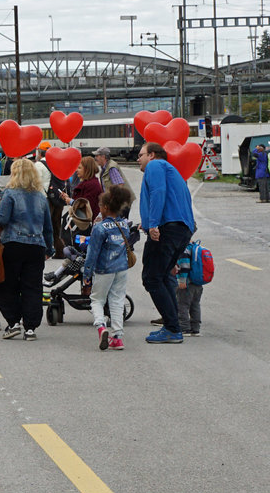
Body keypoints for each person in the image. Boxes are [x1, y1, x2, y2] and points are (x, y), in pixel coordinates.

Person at [137, 141, 195, 345]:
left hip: (166, 228)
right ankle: (173, 325)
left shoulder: (155, 166)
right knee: (161, 276)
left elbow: (158, 192)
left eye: (141, 154)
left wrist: (153, 224)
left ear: (152, 155)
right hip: (180, 229)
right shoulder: (173, 172)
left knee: (151, 277)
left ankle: (172, 328)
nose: (138, 159)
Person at [0, 157, 55, 341]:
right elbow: (48, 226)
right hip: (36, 247)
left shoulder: (10, 194)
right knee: (32, 287)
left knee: (8, 285)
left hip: (12, 245)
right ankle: (30, 328)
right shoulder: (41, 197)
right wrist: (49, 248)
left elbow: (2, 220)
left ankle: (13, 323)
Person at [82, 185, 135, 351]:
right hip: (121, 268)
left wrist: (87, 275)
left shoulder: (100, 228)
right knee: (117, 300)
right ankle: (117, 337)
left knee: (97, 299)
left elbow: (92, 254)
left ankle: (101, 327)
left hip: (104, 269)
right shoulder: (124, 225)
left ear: (105, 208)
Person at [59, 156, 102, 222]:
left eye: (79, 168)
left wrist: (71, 201)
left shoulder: (91, 185)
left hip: (86, 222)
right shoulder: (89, 183)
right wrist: (67, 198)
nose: (76, 170)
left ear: (87, 169)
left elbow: (86, 206)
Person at [176, 239, 204, 337]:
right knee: (195, 304)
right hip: (198, 282)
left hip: (187, 282)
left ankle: (184, 328)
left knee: (182, 304)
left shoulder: (184, 248)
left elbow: (184, 264)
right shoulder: (194, 246)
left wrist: (182, 280)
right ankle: (195, 328)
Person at [93, 147, 131, 213]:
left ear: (103, 157)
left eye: (97, 156)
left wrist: (114, 203)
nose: (95, 158)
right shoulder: (105, 168)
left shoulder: (111, 168)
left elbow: (119, 185)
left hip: (120, 206)